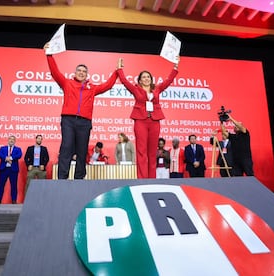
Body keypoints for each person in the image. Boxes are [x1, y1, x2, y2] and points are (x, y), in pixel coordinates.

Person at [44, 43, 118, 179]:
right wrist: (49, 55)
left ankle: (79, 177)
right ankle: (62, 177)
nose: (82, 73)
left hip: (84, 122)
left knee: (82, 150)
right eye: (79, 71)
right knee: (66, 147)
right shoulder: (67, 83)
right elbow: (55, 72)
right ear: (75, 73)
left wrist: (117, 72)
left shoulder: (92, 88)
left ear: (87, 75)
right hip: (68, 120)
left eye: (84, 72)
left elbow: (107, 85)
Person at [117, 57, 179, 178]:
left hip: (155, 121)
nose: (146, 79)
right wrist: (120, 69)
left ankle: (151, 178)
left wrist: (175, 68)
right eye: (144, 77)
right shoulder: (136, 89)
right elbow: (124, 81)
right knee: (141, 152)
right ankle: (142, 179)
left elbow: (168, 81)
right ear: (140, 80)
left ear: (151, 80)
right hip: (141, 121)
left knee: (152, 153)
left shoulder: (157, 89)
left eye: (148, 77)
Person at [0, 136, 23, 204]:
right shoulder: (2, 148)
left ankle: (14, 200)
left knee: (14, 185)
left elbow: (19, 155)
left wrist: (11, 158)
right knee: (1, 185)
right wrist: (6, 158)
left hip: (13, 170)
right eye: (10, 139)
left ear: (15, 141)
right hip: (4, 169)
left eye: (13, 139)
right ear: (8, 140)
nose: (11, 140)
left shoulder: (18, 149)